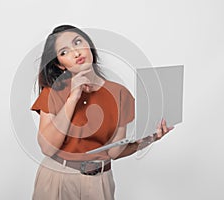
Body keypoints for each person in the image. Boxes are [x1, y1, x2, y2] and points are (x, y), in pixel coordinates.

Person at [30, 25, 174, 200]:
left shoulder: (119, 93)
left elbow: (115, 151)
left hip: (100, 181)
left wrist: (150, 138)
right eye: (64, 52)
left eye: (78, 42)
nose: (76, 53)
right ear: (60, 65)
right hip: (58, 177)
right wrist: (73, 97)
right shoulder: (54, 91)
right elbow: (47, 147)